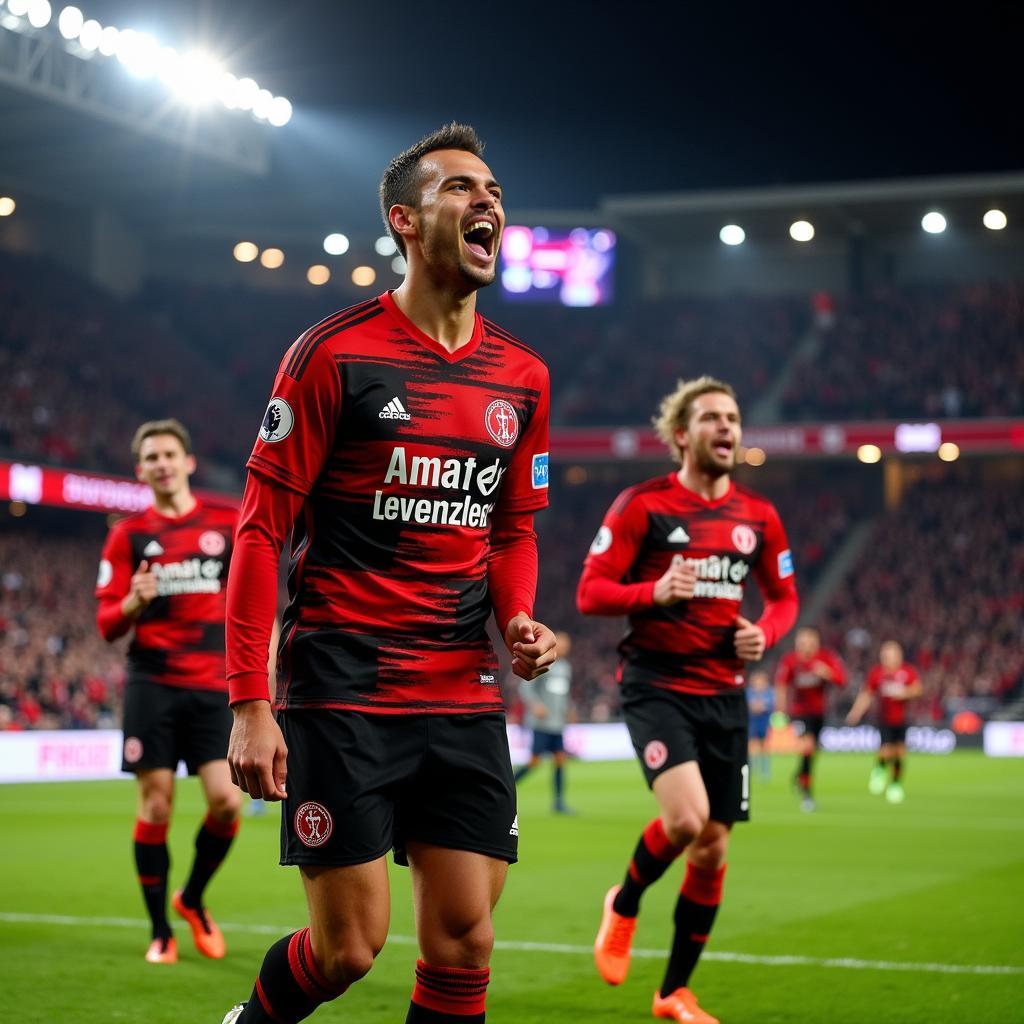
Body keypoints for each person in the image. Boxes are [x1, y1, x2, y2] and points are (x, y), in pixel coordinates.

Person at [220, 123, 556, 1024]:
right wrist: (252, 703)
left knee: (465, 940)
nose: (487, 201)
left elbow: (514, 527)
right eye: (460, 188)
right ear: (406, 221)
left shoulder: (523, 376)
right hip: (345, 686)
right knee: (348, 951)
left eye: (493, 190)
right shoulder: (332, 354)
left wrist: (519, 616)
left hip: (463, 687)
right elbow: (260, 533)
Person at [577, 376, 798, 1024]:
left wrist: (767, 633)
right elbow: (591, 592)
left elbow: (783, 598)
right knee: (685, 820)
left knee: (713, 848)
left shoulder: (759, 516)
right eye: (712, 419)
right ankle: (624, 902)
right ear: (682, 435)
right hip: (657, 686)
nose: (728, 428)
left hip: (725, 695)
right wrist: (654, 594)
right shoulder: (642, 506)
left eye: (733, 418)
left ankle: (673, 991)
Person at [95, 419, 241, 965]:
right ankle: (161, 931)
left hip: (211, 684)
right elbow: (107, 624)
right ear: (140, 470)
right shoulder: (127, 536)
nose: (161, 463)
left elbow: (249, 596)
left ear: (188, 461)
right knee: (156, 805)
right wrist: (133, 601)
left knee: (226, 802)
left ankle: (193, 899)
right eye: (150, 457)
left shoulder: (224, 524)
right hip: (152, 683)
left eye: (168, 454)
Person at [773, 625, 846, 811]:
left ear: (816, 643)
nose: (805, 646)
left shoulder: (825, 658)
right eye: (802, 642)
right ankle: (807, 796)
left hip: (819, 713)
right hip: (799, 713)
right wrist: (780, 710)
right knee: (808, 747)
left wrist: (826, 673)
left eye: (809, 642)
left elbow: (842, 680)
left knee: (811, 753)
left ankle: (799, 776)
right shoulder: (790, 661)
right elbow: (781, 685)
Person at [846, 640, 922, 804]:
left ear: (899, 655)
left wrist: (905, 693)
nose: (888, 657)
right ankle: (880, 768)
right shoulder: (877, 673)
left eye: (892, 654)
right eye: (885, 654)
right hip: (884, 719)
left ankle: (895, 785)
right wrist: (856, 712)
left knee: (900, 753)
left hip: (902, 719)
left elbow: (918, 689)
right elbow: (866, 694)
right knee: (886, 750)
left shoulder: (907, 672)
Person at [514, 630, 576, 814]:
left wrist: (570, 710)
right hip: (542, 724)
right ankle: (507, 787)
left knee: (560, 760)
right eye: (562, 644)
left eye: (567, 645)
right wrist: (536, 705)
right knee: (534, 762)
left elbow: (564, 694)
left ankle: (558, 803)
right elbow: (525, 687)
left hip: (557, 724)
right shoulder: (543, 661)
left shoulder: (566, 667)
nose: (565, 648)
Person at [745, 668, 773, 780]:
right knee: (750, 746)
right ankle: (750, 768)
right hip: (752, 723)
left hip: (764, 723)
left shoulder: (769, 693)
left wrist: (758, 706)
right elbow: (747, 706)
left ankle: (765, 771)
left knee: (764, 747)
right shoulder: (748, 693)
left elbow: (770, 705)